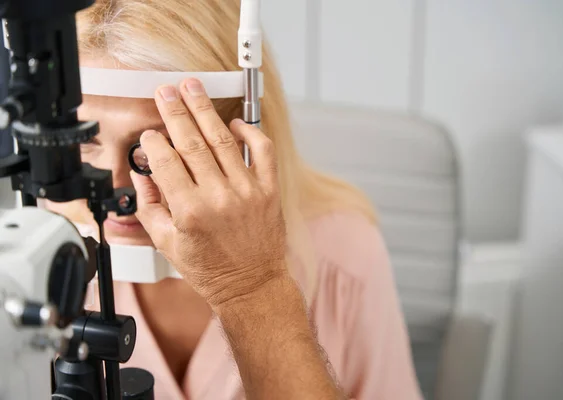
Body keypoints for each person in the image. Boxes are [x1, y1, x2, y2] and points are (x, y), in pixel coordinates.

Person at [45, 0, 424, 399]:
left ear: (236, 137)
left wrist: (252, 289)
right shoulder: (45, 252)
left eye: (158, 150)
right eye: (86, 140)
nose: (115, 188)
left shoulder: (344, 254)